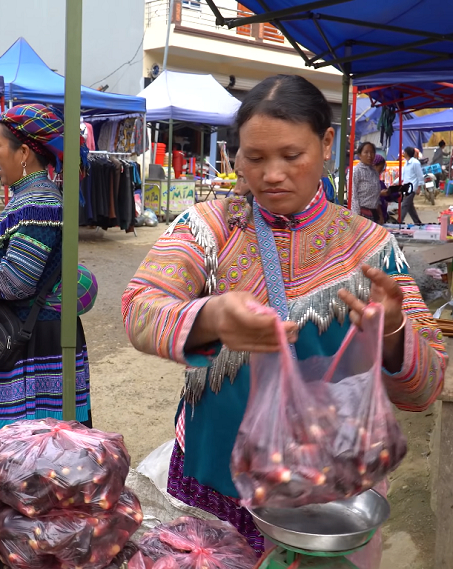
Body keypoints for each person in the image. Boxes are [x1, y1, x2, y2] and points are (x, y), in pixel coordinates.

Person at [122, 75, 446, 564]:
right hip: (219, 478)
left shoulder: (371, 247)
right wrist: (209, 316)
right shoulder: (209, 227)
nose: (272, 174)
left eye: (292, 156)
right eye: (254, 158)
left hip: (335, 491)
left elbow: (423, 389)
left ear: (327, 143)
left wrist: (394, 333)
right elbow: (140, 307)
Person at [0, 103, 94, 432]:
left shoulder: (36, 203)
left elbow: (18, 283)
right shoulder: (30, 198)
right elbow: (33, 263)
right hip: (37, 334)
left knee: (35, 450)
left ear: (24, 152)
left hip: (37, 342)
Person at [350, 141, 383, 223]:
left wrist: (380, 214)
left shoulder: (374, 172)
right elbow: (353, 196)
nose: (369, 155)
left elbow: (376, 196)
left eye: (372, 152)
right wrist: (356, 219)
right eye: (366, 152)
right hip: (361, 215)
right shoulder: (356, 171)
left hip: (374, 214)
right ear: (359, 155)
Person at [401, 146, 424, 225]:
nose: (403, 153)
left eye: (404, 152)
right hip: (406, 187)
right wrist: (395, 182)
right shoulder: (406, 163)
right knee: (410, 207)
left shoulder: (415, 163)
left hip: (412, 187)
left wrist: (419, 187)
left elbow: (420, 175)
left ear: (407, 153)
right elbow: (403, 176)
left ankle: (399, 221)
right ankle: (417, 222)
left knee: (404, 205)